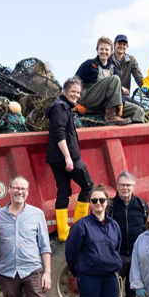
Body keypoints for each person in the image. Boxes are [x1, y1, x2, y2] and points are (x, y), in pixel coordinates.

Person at [65, 185, 122, 297]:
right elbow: (70, 253)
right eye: (94, 200)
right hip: (89, 279)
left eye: (101, 200)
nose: (98, 203)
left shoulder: (114, 226)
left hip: (110, 279)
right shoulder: (81, 226)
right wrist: (80, 272)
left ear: (107, 202)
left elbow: (116, 249)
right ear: (90, 203)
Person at [46, 77, 94, 243]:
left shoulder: (63, 107)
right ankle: (79, 227)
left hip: (56, 158)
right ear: (64, 91)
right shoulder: (60, 108)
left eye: (78, 92)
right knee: (88, 186)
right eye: (73, 91)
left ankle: (63, 233)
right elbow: (58, 133)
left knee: (64, 192)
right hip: (67, 158)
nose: (76, 95)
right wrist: (68, 157)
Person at [109, 170, 148, 297]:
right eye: (122, 185)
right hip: (116, 257)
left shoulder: (142, 205)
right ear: (117, 187)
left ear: (134, 187)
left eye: (128, 185)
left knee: (133, 293)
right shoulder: (109, 205)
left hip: (135, 257)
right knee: (112, 293)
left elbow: (148, 228)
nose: (125, 188)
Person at [74, 36, 143, 125]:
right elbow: (74, 83)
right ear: (97, 50)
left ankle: (134, 137)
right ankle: (111, 118)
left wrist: (121, 102)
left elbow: (119, 90)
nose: (104, 52)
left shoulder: (113, 69)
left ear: (111, 52)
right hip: (90, 100)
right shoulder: (89, 64)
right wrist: (75, 103)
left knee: (138, 111)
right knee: (114, 79)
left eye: (107, 50)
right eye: (101, 49)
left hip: (106, 104)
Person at [112, 34, 144, 102]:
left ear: (127, 46)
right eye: (119, 43)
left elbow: (139, 79)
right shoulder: (108, 59)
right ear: (114, 44)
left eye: (124, 44)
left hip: (125, 95)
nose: (122, 46)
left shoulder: (131, 60)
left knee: (139, 108)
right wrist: (120, 88)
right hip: (110, 93)